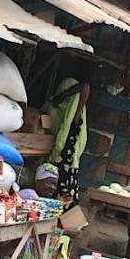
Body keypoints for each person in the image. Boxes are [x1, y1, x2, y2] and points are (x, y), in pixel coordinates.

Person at [47, 78, 90, 209]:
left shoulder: (75, 117)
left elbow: (85, 86)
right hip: (65, 167)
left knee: (62, 200)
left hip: (65, 167)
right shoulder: (60, 114)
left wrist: (64, 94)